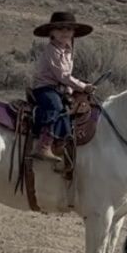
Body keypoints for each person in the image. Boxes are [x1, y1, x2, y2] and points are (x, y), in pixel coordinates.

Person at [30, 11, 96, 162]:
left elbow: (65, 77)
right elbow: (62, 76)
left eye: (69, 29)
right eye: (60, 29)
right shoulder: (52, 50)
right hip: (45, 87)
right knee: (55, 106)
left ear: (73, 33)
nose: (65, 32)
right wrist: (82, 86)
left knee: (69, 109)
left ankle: (61, 144)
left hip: (59, 89)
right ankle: (44, 145)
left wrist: (74, 89)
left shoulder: (67, 51)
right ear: (51, 32)